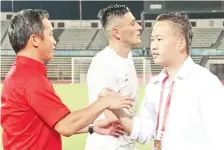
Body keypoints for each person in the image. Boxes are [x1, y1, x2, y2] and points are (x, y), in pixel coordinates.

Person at [0, 9, 133, 150]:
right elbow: (66, 126)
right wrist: (105, 102)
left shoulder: (19, 73)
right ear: (35, 40)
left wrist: (92, 128)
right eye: (51, 34)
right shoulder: (31, 79)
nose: (54, 40)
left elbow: (55, 122)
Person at [109, 12, 224, 150]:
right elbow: (144, 132)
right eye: (152, 39)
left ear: (180, 43)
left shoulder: (205, 83)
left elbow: (219, 138)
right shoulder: (154, 86)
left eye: (159, 39)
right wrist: (117, 111)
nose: (153, 46)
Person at [85, 4, 142, 150]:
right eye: (132, 23)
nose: (139, 27)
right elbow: (112, 117)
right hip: (109, 145)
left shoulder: (127, 57)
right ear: (117, 33)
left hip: (125, 143)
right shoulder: (103, 62)